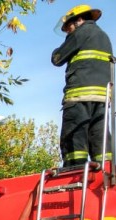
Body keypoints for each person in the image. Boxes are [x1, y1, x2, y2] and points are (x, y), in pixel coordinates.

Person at [51, 5, 113, 168]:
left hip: (79, 97)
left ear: (78, 20)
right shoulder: (104, 37)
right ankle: (105, 170)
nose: (68, 32)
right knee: (99, 137)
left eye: (68, 27)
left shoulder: (81, 32)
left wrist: (62, 47)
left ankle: (74, 171)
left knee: (74, 138)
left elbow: (57, 59)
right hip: (101, 99)